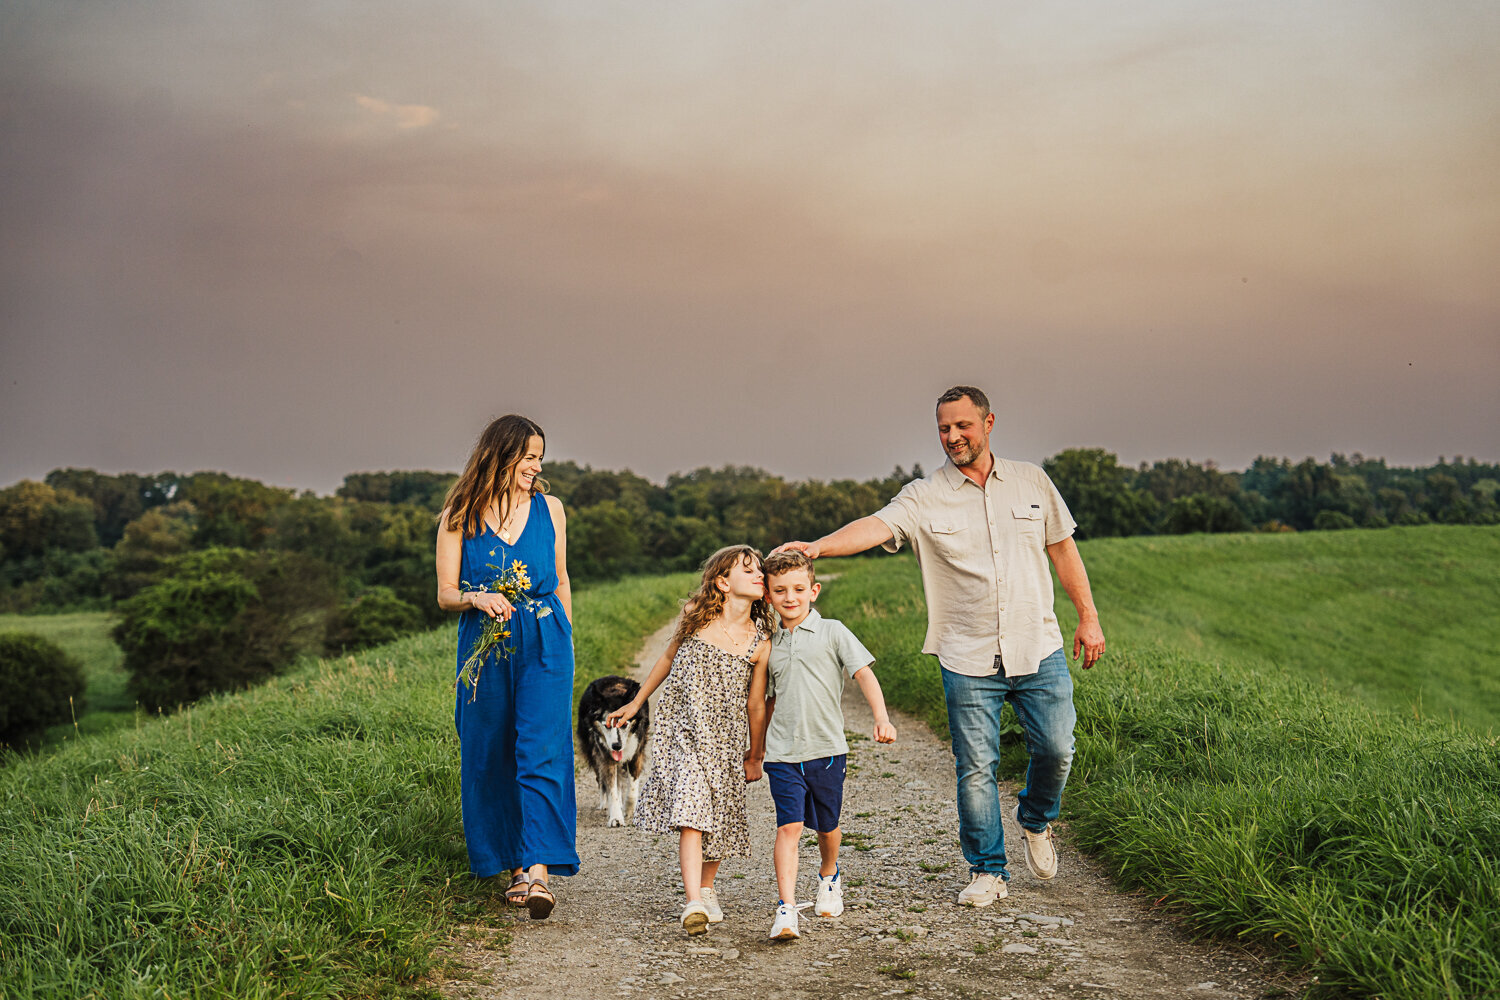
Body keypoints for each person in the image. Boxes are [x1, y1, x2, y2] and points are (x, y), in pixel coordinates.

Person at [775, 385, 1105, 908]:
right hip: (967, 655)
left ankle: (1036, 819)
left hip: (1037, 645)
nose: (952, 437)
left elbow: (1064, 551)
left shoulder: (1032, 482)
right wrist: (818, 546)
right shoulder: (923, 495)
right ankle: (987, 869)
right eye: (944, 429)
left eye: (962, 426)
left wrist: (1088, 617)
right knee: (976, 766)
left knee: (1058, 749)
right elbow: (877, 525)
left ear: (988, 422)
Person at [436, 414, 577, 919]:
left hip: (545, 638)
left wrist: (566, 642)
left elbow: (560, 578)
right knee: (491, 750)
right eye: (530, 456)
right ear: (502, 454)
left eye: (541, 457)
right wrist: (477, 597)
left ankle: (538, 870)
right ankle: (512, 864)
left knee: (541, 747)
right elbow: (445, 594)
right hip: (485, 643)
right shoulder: (459, 513)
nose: (538, 466)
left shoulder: (551, 508)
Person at [606, 545, 772, 936]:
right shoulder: (696, 618)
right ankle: (692, 901)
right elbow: (666, 659)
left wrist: (755, 753)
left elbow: (757, 704)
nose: (759, 574)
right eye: (748, 570)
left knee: (721, 815)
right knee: (692, 811)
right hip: (683, 732)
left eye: (760, 570)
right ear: (723, 582)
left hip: (726, 738)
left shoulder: (760, 641)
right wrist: (635, 702)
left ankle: (707, 888)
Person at [754, 549, 897, 942]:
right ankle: (786, 909)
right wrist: (757, 751)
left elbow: (863, 674)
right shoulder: (769, 644)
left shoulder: (833, 631)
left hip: (828, 750)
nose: (790, 597)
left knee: (827, 826)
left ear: (813, 590)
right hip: (783, 754)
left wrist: (881, 718)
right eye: (780, 590)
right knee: (790, 827)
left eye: (799, 589)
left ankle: (829, 875)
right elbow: (765, 701)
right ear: (768, 595)